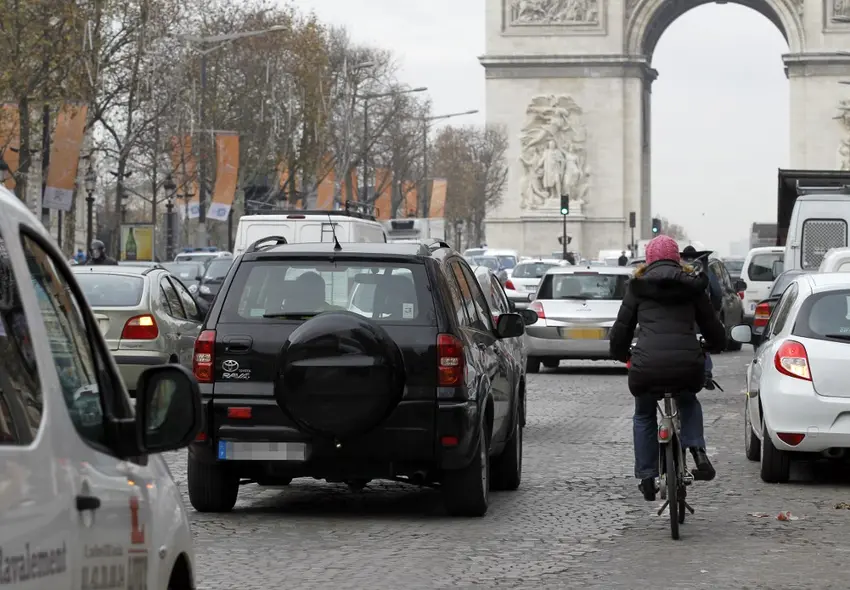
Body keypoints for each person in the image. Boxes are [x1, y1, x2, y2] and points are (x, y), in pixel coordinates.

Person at [609, 235, 726, 501]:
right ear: (677, 258)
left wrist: (619, 354)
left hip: (647, 365)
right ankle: (697, 451)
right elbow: (711, 325)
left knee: (644, 414)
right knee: (688, 400)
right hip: (686, 364)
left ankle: (647, 476)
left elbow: (622, 329)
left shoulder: (637, 288)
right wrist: (715, 344)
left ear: (648, 260)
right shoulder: (693, 286)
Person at [681, 245, 723, 389]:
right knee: (702, 342)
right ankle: (706, 373)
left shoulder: (679, 270)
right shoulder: (705, 270)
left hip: (682, 315)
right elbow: (717, 292)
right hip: (703, 312)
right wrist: (715, 310)